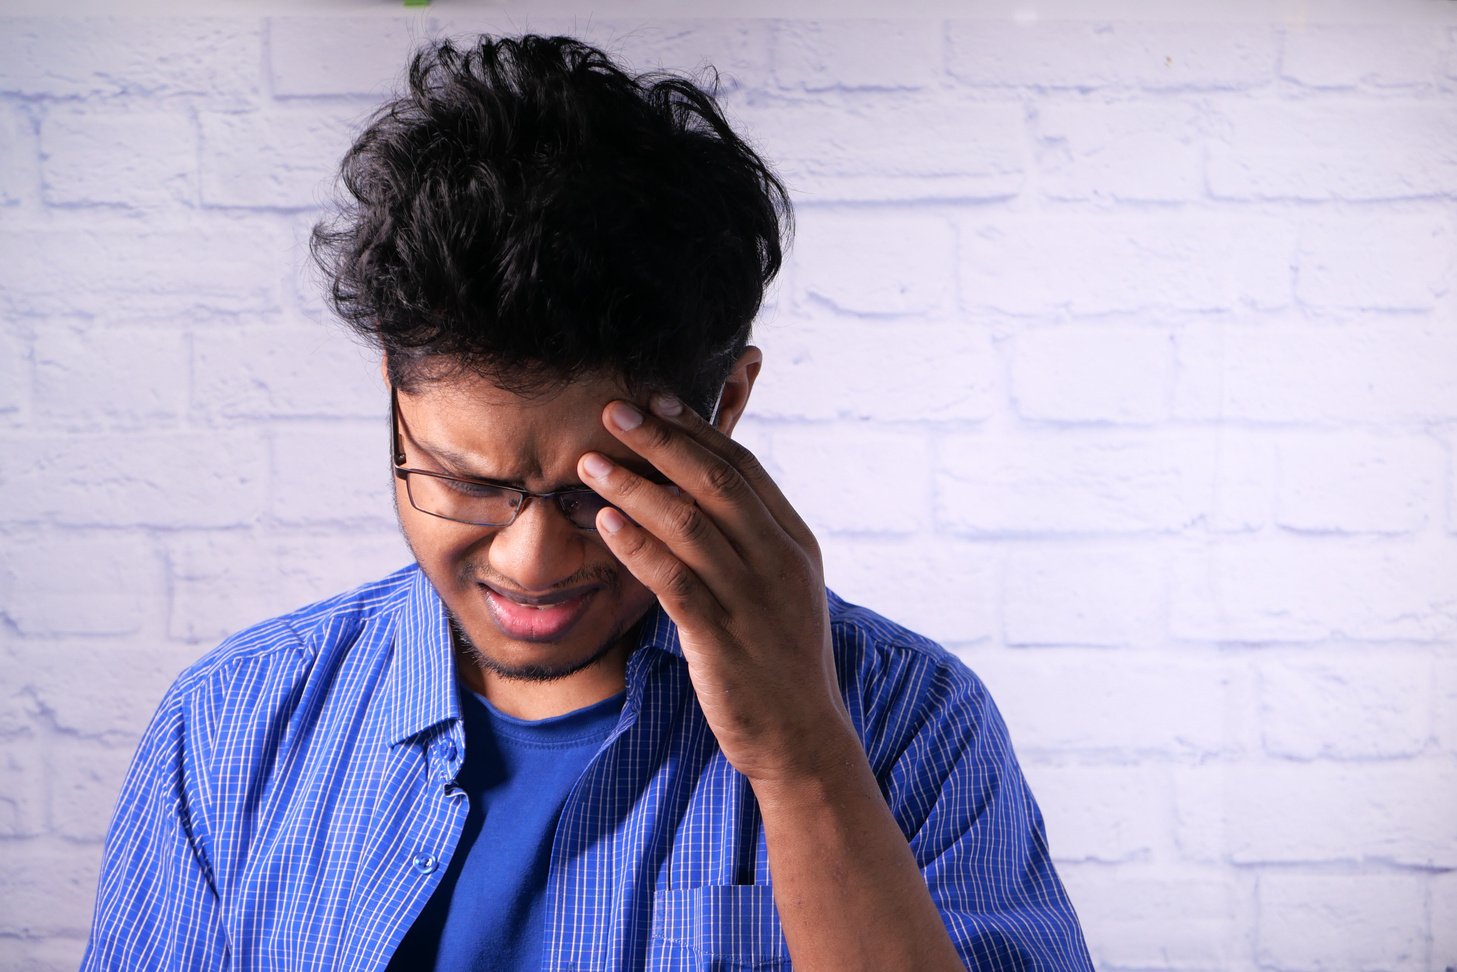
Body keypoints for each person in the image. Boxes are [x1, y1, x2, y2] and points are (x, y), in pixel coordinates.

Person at [81, 35, 1092, 971]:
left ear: (724, 405)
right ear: (394, 388)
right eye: (469, 483)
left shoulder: (908, 723)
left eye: (592, 495)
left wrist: (801, 762)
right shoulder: (230, 729)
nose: (527, 563)